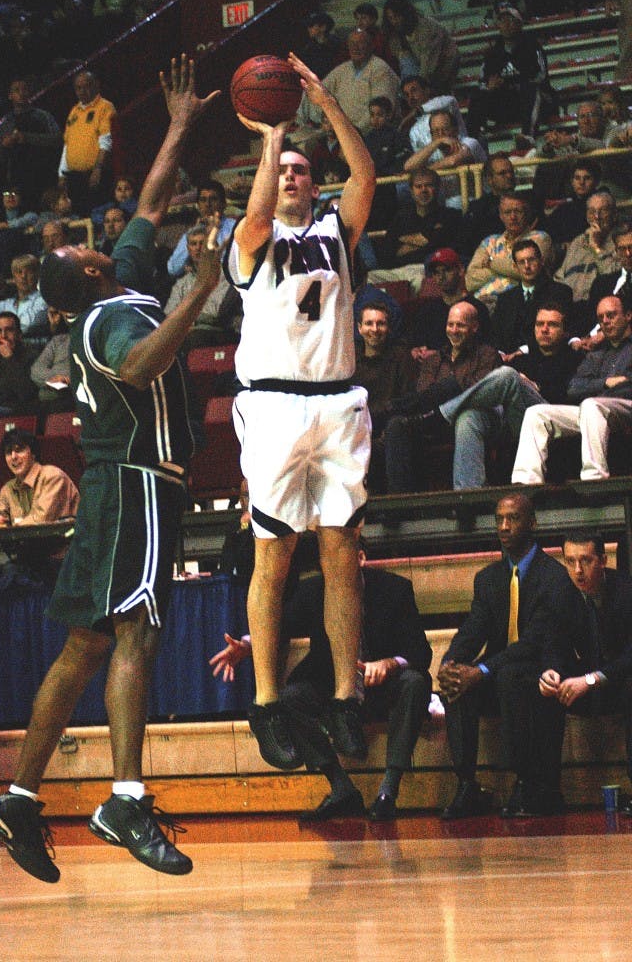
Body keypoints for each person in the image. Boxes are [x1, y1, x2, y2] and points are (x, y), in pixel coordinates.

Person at [0, 55, 221, 883]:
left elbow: (148, 204)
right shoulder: (109, 318)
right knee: (137, 630)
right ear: (85, 274)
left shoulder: (123, 280)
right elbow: (144, 366)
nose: (94, 242)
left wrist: (179, 125)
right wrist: (200, 291)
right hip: (139, 481)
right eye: (84, 247)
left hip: (115, 487)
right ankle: (124, 798)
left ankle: (17, 798)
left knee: (83, 643)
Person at [223, 52, 375, 773]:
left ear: (316, 184)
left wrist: (326, 102)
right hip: (274, 404)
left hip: (339, 401)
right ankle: (266, 703)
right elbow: (257, 212)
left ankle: (347, 698)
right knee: (275, 555)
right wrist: (273, 136)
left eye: (301, 171)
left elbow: (365, 177)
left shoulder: (338, 233)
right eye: (283, 170)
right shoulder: (251, 240)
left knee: (343, 551)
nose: (290, 176)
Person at [211, 546, 432, 822]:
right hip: (333, 688)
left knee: (414, 683)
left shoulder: (394, 588)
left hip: (382, 688)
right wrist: (247, 644)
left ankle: (388, 791)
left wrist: (391, 663)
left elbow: (421, 652)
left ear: (360, 558)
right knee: (290, 698)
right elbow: (281, 625)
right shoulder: (313, 589)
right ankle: (341, 788)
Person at [438, 493, 584, 819]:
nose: (504, 526)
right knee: (456, 686)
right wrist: (451, 663)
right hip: (500, 670)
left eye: (513, 518)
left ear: (532, 523)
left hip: (541, 671)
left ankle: (528, 782)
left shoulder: (553, 577)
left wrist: (481, 671)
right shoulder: (488, 579)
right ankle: (466, 785)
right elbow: (473, 629)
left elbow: (534, 643)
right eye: (499, 519)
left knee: (509, 678)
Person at [385, 303, 533, 491]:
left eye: (460, 325)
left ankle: (466, 496)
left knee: (467, 415)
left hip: (481, 419)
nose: (454, 330)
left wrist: (445, 391)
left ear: (474, 327)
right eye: (450, 324)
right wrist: (447, 390)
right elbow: (425, 395)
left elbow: (481, 392)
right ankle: (400, 501)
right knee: (397, 424)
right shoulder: (434, 360)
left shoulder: (487, 355)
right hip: (435, 425)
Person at [539, 531, 632, 815]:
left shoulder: (625, 590)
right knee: (538, 686)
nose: (577, 570)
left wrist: (592, 680)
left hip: (618, 679)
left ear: (603, 560)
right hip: (584, 681)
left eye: (586, 561)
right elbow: (552, 644)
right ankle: (544, 789)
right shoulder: (559, 593)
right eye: (570, 562)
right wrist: (550, 672)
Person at [512, 294, 632, 483]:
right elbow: (574, 388)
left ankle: (594, 480)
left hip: (625, 407)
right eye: (601, 317)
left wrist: (600, 389)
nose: (605, 321)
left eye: (611, 315)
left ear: (628, 315)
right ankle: (525, 483)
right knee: (537, 413)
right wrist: (605, 382)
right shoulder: (596, 353)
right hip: (595, 412)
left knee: (592, 405)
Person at [0, 426, 79, 574]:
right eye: (8, 452)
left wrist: (7, 526)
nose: (13, 457)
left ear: (33, 453)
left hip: (63, 561)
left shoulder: (52, 477)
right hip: (30, 560)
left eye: (19, 450)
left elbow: (40, 521)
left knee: (7, 574)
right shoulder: (8, 488)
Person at [465, 3, 554, 142]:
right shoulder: (492, 53)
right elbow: (482, 82)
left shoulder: (533, 47)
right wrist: (489, 86)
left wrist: (517, 84)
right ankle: (471, 141)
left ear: (519, 24)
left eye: (510, 20)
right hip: (507, 104)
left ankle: (528, 137)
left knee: (530, 89)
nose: (506, 24)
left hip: (533, 102)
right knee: (478, 95)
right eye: (502, 20)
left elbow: (541, 76)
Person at [353, 300, 417, 492]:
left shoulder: (401, 357)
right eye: (369, 323)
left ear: (388, 327)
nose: (375, 329)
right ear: (359, 328)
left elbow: (408, 400)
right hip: (358, 428)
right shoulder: (350, 361)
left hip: (390, 429)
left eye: (380, 323)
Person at [369, 168, 462, 298]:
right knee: (369, 278)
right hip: (396, 271)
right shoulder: (401, 218)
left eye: (429, 185)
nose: (423, 190)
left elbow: (438, 247)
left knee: (421, 281)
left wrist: (404, 242)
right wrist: (425, 239)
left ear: (438, 188)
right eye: (418, 186)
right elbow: (387, 253)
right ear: (412, 191)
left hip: (424, 269)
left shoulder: (450, 215)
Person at [465, 193, 553, 316]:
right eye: (507, 212)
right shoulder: (490, 242)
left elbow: (527, 270)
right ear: (501, 216)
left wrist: (491, 264)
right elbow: (470, 280)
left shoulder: (539, 238)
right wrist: (504, 271)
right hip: (480, 303)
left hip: (518, 306)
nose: (513, 217)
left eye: (518, 211)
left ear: (527, 214)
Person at [491, 239, 573, 356]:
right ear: (515, 267)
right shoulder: (505, 299)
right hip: (506, 359)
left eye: (531, 260)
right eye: (521, 262)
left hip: (543, 357)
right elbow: (496, 335)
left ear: (541, 261)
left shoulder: (561, 292)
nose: (527, 266)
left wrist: (524, 350)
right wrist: (501, 354)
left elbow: (560, 333)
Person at [408, 246, 491, 353]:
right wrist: (416, 350)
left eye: (446, 270)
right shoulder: (428, 310)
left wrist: (438, 356)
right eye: (436, 273)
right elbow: (415, 342)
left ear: (460, 270)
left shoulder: (476, 309)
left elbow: (484, 349)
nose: (441, 277)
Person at [0, 78, 62, 210]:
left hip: (43, 177)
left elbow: (57, 140)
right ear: (10, 95)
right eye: (17, 90)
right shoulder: (6, 123)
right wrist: (4, 146)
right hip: (18, 181)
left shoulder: (43, 116)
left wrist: (27, 138)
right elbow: (0, 158)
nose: (21, 93)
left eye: (24, 89)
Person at [320, 29, 400, 136]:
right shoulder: (343, 69)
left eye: (360, 43)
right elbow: (320, 89)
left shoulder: (380, 69)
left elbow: (380, 112)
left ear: (370, 46)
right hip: (340, 132)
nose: (355, 47)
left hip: (368, 135)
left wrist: (352, 133)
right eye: (352, 44)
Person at [58, 70, 116, 215]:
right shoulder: (74, 111)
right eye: (79, 88)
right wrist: (61, 174)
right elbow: (67, 144)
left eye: (87, 86)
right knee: (79, 217)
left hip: (96, 175)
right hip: (74, 178)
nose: (82, 91)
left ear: (96, 85)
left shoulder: (105, 107)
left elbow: (106, 141)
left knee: (97, 214)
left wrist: (98, 169)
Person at [403, 110, 486, 210]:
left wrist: (424, 172)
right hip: (446, 208)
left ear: (456, 130)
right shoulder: (433, 149)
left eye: (445, 129)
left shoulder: (470, 142)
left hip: (477, 203)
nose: (440, 134)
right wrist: (437, 142)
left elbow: (453, 162)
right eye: (435, 131)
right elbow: (408, 166)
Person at [0, 311, 39, 436]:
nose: (3, 336)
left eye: (9, 330)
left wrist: (10, 359)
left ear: (19, 334)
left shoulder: (31, 356)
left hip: (14, 409)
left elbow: (27, 393)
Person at [554, 190, 619, 311]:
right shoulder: (578, 242)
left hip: (600, 309)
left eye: (603, 211)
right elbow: (560, 277)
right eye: (592, 211)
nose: (597, 216)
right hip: (569, 308)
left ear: (614, 215)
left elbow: (613, 279)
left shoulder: (621, 241)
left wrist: (596, 248)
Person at [381, 0, 459, 94]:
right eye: (390, 18)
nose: (394, 21)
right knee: (405, 60)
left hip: (443, 64)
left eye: (396, 17)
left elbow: (428, 63)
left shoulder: (427, 27)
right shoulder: (395, 33)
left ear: (405, 14)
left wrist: (418, 86)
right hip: (420, 67)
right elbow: (401, 57)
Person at [166, 179, 236, 279]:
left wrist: (213, 230)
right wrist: (194, 234)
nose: (207, 204)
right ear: (198, 205)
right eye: (203, 200)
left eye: (213, 199)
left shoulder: (234, 228)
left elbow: (235, 264)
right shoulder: (193, 232)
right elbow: (173, 269)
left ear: (223, 204)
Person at [0, 253, 48, 352]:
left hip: (31, 354)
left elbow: (28, 324)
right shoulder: (4, 304)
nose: (23, 276)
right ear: (13, 277)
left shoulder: (43, 300)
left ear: (37, 275)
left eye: (29, 272)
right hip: (0, 354)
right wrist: (6, 343)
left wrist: (0, 337)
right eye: (19, 272)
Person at [30, 305, 74, 415]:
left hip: (73, 397)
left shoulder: (89, 338)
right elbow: (36, 370)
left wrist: (68, 380)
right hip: (46, 399)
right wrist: (55, 379)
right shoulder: (58, 340)